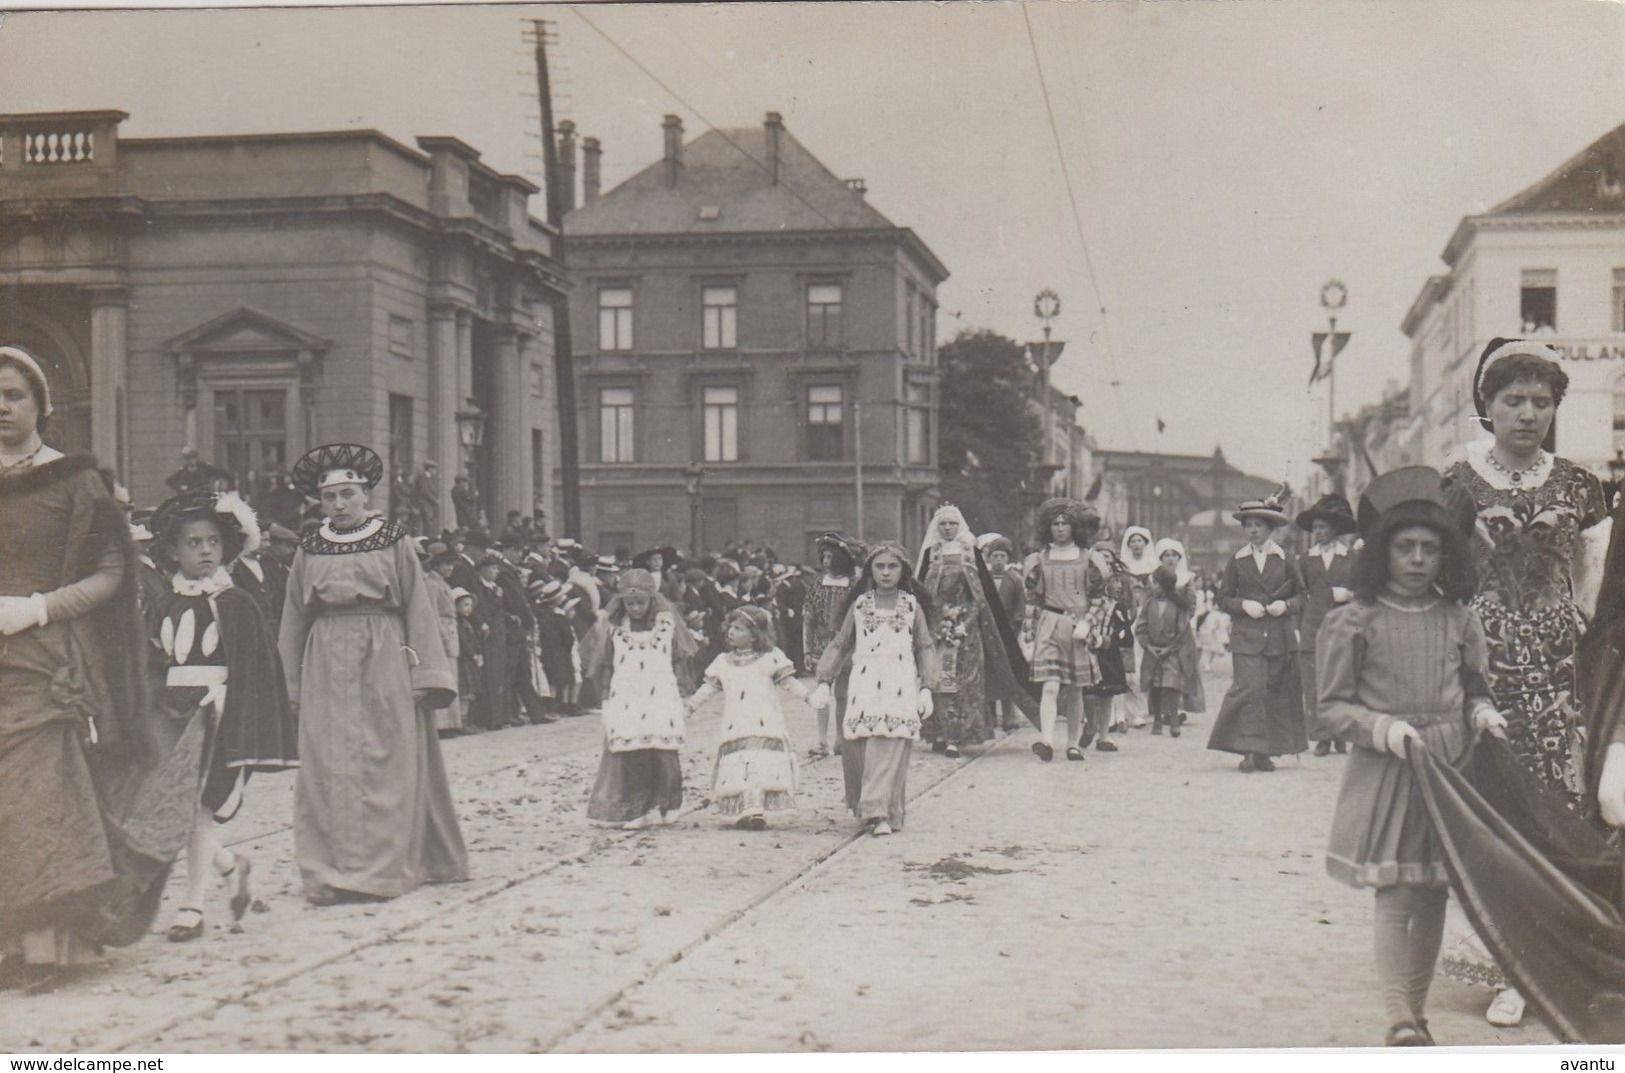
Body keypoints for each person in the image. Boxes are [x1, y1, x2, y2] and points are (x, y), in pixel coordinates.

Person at [0, 346, 191, 991]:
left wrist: (37, 609)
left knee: (39, 803)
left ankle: (54, 946)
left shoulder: (77, 481)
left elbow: (112, 574)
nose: (1, 407)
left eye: (13, 395)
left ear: (40, 406)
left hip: (47, 662)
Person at [1438, 338, 1612, 1027]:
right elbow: (1443, 581)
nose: (1527, 413)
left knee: (1565, 809)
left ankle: (1559, 957)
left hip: (1562, 666)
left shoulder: (1578, 485)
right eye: (1513, 400)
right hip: (1485, 663)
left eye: (1541, 401)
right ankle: (1507, 962)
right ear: (1486, 404)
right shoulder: (1457, 482)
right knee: (1496, 810)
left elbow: (1598, 581)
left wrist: (1590, 649)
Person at [1318, 466, 1506, 1046]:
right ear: (1384, 552)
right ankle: (1398, 1013)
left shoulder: (1459, 619)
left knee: (1433, 891)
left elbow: (1474, 683)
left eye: (1430, 548)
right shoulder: (1354, 620)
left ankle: (1416, 1015)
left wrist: (1481, 712)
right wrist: (1383, 729)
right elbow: (1331, 707)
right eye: (1405, 547)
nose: (1419, 559)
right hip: (1392, 764)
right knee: (1396, 891)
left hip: (1450, 767)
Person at [277, 443, 467, 904]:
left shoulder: (394, 541)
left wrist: (425, 675)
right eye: (330, 497)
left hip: (383, 654)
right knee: (327, 761)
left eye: (348, 494)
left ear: (366, 496)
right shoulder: (309, 549)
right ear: (319, 502)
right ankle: (329, 871)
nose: (339, 505)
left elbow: (418, 607)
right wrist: (289, 684)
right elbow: (294, 618)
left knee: (385, 756)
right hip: (325, 655)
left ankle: (385, 870)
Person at [147, 490, 297, 942]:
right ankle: (232, 867)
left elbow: (257, 671)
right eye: (193, 543)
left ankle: (191, 905)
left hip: (218, 713)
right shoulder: (164, 603)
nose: (205, 551)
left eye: (213, 542)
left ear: (226, 547)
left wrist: (236, 716)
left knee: (198, 809)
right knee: (174, 807)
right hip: (171, 715)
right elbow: (152, 660)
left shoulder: (238, 605)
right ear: (174, 550)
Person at [812, 543, 940, 836]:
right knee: (862, 745)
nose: (885, 572)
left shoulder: (911, 606)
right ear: (870, 570)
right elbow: (841, 643)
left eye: (892, 567)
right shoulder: (859, 605)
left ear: (902, 571)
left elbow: (924, 646)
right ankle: (875, 809)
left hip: (899, 681)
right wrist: (824, 681)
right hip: (865, 681)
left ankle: (878, 811)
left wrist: (927, 688)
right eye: (879, 567)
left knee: (891, 743)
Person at [581, 568, 698, 829]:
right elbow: (607, 663)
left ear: (651, 600)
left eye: (641, 603)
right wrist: (605, 691)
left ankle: (669, 805)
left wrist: (681, 684)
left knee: (664, 751)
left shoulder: (666, 625)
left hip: (661, 693)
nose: (635, 608)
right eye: (630, 603)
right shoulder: (615, 630)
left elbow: (678, 657)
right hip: (628, 695)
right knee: (633, 753)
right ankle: (637, 809)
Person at [915, 505, 1036, 756]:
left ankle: (960, 734)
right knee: (938, 680)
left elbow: (980, 597)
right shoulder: (931, 554)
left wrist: (964, 622)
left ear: (960, 526)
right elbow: (924, 596)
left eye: (952, 524)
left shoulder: (972, 554)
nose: (947, 528)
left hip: (967, 631)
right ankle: (939, 732)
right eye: (943, 524)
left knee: (964, 682)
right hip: (937, 630)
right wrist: (935, 623)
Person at [1207, 490, 1307, 772]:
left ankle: (1265, 752)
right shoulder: (1237, 560)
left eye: (1258, 525)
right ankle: (1249, 750)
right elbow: (1223, 598)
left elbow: (1302, 597)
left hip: (1277, 637)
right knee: (1250, 689)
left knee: (1272, 692)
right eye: (1248, 525)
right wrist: (1243, 605)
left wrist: (1284, 606)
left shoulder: (1285, 558)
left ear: (1271, 528)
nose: (1252, 530)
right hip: (1246, 637)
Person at [687, 606, 809, 829]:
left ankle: (755, 809)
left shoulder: (770, 658)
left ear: (754, 635)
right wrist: (690, 706)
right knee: (740, 760)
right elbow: (708, 688)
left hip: (764, 718)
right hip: (735, 721)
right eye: (730, 627)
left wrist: (809, 697)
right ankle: (745, 808)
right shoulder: (723, 661)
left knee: (758, 759)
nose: (731, 632)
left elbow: (789, 683)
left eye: (738, 628)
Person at [1023, 498, 1111, 762]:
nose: (1060, 528)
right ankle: (1047, 740)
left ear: (1074, 527)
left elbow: (1100, 598)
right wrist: (1028, 635)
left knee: (1074, 688)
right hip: (1049, 623)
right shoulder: (1039, 559)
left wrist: (1088, 623)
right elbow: (1033, 600)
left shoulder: (1089, 559)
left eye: (1064, 524)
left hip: (1077, 626)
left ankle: (1073, 743)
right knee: (1050, 686)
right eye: (1054, 524)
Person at [1294, 493, 1360, 757]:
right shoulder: (1305, 559)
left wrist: (1349, 595)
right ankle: (1321, 736)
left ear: (1335, 529)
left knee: (1342, 680)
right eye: (1315, 528)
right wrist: (1298, 627)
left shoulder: (1351, 557)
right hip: (1313, 626)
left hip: (1343, 626)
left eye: (1322, 527)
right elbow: (1299, 593)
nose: (1317, 532)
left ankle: (1340, 734)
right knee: (1314, 682)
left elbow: (1366, 593)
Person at [802, 533, 862, 759]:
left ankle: (841, 738)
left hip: (848, 645)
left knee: (844, 693)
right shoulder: (817, 583)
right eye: (824, 557)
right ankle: (821, 739)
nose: (826, 561)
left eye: (831, 557)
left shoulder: (855, 584)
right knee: (821, 691)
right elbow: (808, 618)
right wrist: (807, 648)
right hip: (821, 644)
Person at [1135, 561, 1197, 737]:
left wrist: (1169, 648)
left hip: (1171, 652)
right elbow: (1141, 627)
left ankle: (1174, 718)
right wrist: (1147, 646)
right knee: (1155, 685)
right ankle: (1157, 720)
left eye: (1155, 582)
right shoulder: (1149, 604)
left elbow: (1182, 631)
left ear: (1165, 585)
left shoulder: (1177, 606)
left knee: (1172, 684)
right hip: (1152, 652)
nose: (1152, 586)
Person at [979, 533, 1027, 733]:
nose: (998, 560)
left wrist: (1012, 630)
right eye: (994, 556)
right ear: (988, 558)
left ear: (1007, 559)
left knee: (1007, 674)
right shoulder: (983, 579)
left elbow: (1020, 608)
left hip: (1008, 635)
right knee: (989, 673)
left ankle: (1009, 716)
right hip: (987, 634)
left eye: (1002, 556)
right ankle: (989, 717)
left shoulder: (1014, 579)